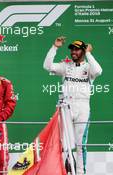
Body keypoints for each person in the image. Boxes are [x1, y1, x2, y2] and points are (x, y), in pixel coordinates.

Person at [43, 36, 102, 175]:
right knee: (63, 144)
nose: (73, 52)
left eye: (76, 49)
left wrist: (89, 53)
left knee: (81, 144)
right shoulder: (65, 66)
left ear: (82, 51)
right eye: (72, 49)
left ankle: (81, 172)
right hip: (66, 107)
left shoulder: (89, 67)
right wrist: (55, 47)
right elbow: (47, 66)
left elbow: (99, 71)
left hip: (83, 108)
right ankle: (63, 171)